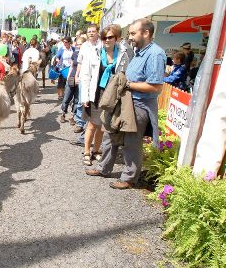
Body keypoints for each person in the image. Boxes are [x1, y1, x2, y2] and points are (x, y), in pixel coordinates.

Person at [86, 18, 166, 189]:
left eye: (132, 33)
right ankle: (103, 168)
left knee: (131, 142)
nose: (129, 37)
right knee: (109, 133)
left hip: (139, 106)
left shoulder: (155, 54)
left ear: (146, 33)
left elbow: (156, 85)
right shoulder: (138, 52)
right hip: (125, 103)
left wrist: (128, 84)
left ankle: (129, 178)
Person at [80, 25, 130, 166]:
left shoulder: (123, 54)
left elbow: (124, 75)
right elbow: (85, 76)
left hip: (112, 95)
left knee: (104, 125)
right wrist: (85, 97)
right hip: (96, 93)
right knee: (92, 124)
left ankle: (96, 150)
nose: (106, 40)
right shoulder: (94, 53)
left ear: (117, 38)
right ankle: (86, 152)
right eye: (104, 37)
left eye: (110, 37)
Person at [60, 37, 85, 125]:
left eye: (80, 44)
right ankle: (63, 114)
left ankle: (72, 116)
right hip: (71, 77)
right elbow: (71, 65)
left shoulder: (87, 54)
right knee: (67, 96)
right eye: (77, 44)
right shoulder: (74, 53)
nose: (78, 46)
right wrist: (68, 77)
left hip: (81, 79)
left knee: (77, 99)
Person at [54, 36, 75, 101]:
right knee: (61, 82)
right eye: (63, 42)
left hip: (71, 68)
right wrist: (58, 61)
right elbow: (57, 57)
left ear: (69, 42)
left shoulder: (73, 49)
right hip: (63, 68)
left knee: (71, 83)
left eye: (66, 42)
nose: (64, 43)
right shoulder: (62, 49)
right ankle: (60, 95)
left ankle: (70, 96)